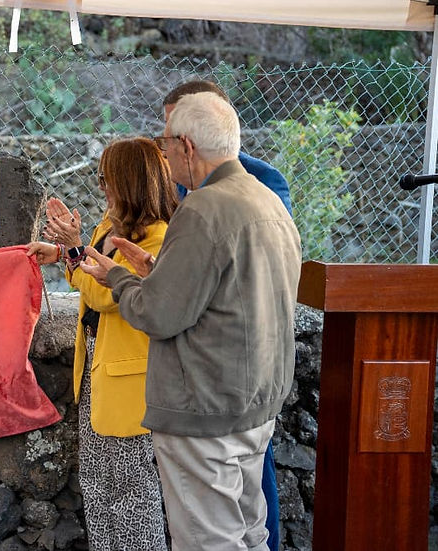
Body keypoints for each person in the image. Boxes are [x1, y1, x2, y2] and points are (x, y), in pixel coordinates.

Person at [79, 92, 301, 551]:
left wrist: (118, 277)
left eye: (165, 144)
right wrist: (154, 271)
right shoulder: (266, 200)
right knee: (250, 533)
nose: (163, 156)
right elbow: (228, 292)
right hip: (255, 402)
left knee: (208, 541)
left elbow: (158, 314)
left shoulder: (202, 209)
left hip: (205, 409)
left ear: (187, 146)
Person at [27, 138, 178, 551]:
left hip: (131, 384)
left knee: (132, 498)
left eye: (105, 178)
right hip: (97, 371)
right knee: (97, 489)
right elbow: (87, 273)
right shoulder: (109, 228)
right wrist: (67, 251)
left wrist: (74, 251)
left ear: (129, 182)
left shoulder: (157, 239)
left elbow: (103, 294)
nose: (102, 187)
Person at [163, 79, 291, 551]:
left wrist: (128, 283)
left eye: (170, 135)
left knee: (225, 529)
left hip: (226, 384)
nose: (166, 148)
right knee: (245, 526)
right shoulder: (185, 183)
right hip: (237, 384)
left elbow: (170, 307)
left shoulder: (255, 185)